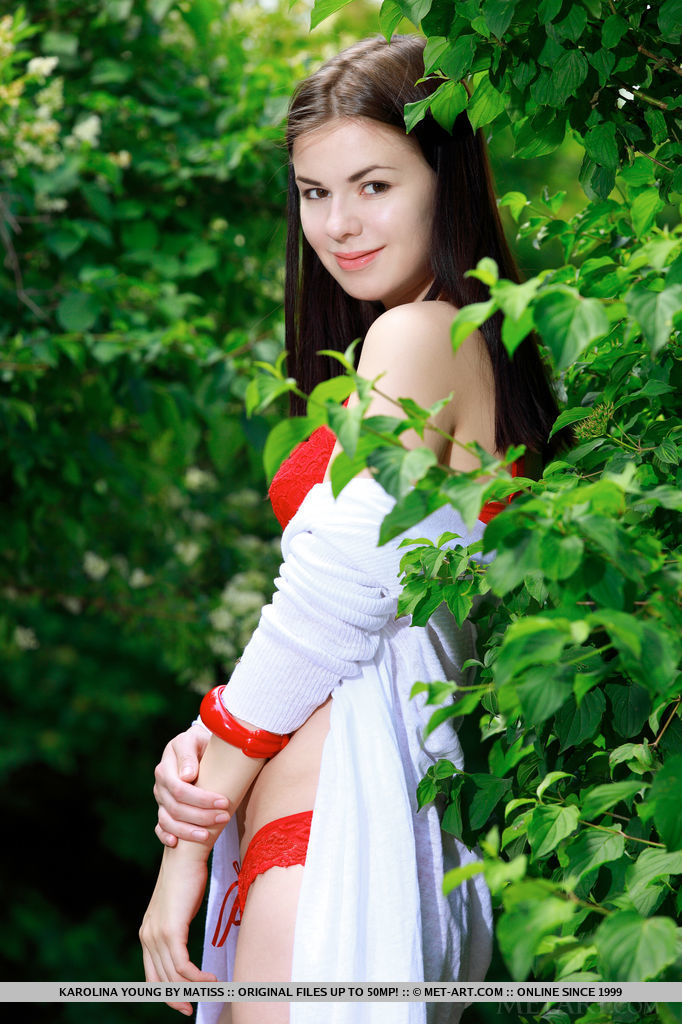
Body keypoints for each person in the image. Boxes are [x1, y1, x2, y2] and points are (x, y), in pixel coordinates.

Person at [140, 34, 561, 1024]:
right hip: (349, 831)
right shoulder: (470, 341)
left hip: (340, 838)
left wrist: (188, 835)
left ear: (448, 180)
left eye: (373, 185)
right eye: (314, 192)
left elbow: (327, 611)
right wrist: (202, 746)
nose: (338, 224)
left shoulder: (419, 334)